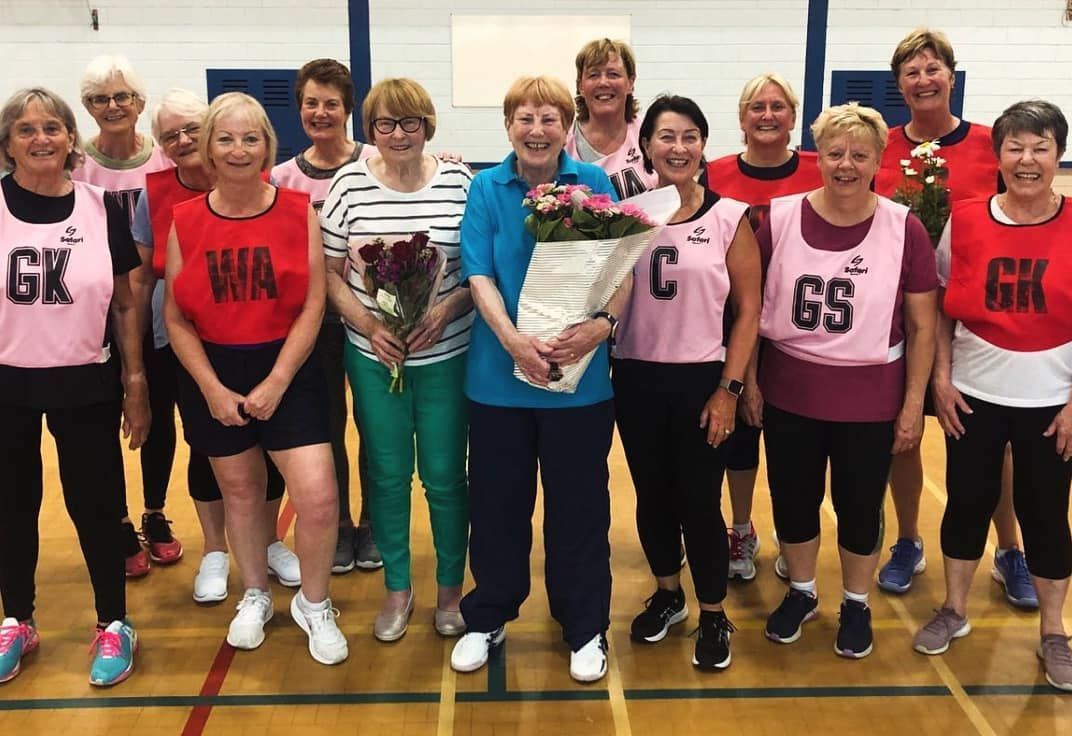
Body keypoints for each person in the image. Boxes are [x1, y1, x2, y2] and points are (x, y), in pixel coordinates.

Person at [450, 75, 624, 683]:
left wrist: (602, 325)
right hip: (499, 381)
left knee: (579, 509)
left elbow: (619, 269)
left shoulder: (596, 184)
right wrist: (514, 343)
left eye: (550, 118)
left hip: (579, 382)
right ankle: (488, 615)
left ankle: (584, 627)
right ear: (507, 126)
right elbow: (479, 278)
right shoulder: (484, 189)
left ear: (565, 127)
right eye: (525, 118)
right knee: (497, 506)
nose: (537, 130)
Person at [164, 92, 346, 664]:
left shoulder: (298, 211)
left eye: (250, 138)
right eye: (226, 138)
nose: (238, 149)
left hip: (287, 366)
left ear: (267, 145)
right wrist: (213, 389)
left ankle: (314, 605)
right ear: (207, 149)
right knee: (241, 494)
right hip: (214, 370)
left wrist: (277, 380)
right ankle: (255, 594)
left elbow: (313, 306)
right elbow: (175, 317)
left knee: (317, 498)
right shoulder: (185, 220)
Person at [758, 103, 937, 659]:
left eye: (859, 155)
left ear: (879, 160)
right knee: (794, 501)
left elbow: (923, 326)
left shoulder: (904, 227)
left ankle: (856, 601)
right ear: (818, 157)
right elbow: (744, 306)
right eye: (835, 153)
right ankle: (804, 591)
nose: (846, 165)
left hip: (870, 397)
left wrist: (912, 405)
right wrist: (747, 384)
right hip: (790, 390)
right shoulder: (777, 217)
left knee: (860, 506)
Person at [914, 100, 1072, 692]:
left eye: (1041, 148)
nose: (1027, 160)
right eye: (1016, 148)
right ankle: (954, 609)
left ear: (1058, 154)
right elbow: (945, 310)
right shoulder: (967, 217)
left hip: (1051, 403)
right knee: (966, 503)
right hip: (974, 395)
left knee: (1046, 516)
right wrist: (941, 380)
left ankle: (1055, 632)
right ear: (998, 155)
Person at [873, 29, 1032, 608]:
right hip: (899, 313)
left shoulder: (993, 144)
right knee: (905, 433)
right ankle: (909, 540)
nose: (923, 80)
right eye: (911, 72)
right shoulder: (881, 146)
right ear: (899, 85)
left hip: (975, 316)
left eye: (932, 68)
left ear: (951, 77)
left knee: (994, 443)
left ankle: (1009, 548)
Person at [0, 87, 148, 686]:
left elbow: (125, 305)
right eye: (27, 130)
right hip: (5, 381)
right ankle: (18, 618)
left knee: (97, 503)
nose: (41, 139)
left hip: (86, 378)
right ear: (8, 144)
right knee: (11, 505)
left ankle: (113, 622)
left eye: (52, 128)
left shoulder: (98, 207)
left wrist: (135, 379)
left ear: (70, 139)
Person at [321, 77, 473, 641]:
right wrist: (367, 324)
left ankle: (452, 591)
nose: (399, 134)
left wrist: (447, 308)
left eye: (411, 122)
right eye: (386, 123)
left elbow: (480, 273)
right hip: (372, 356)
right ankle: (398, 590)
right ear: (371, 130)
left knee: (444, 478)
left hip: (446, 356)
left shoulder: (461, 181)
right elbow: (329, 274)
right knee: (386, 477)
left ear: (428, 126)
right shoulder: (347, 186)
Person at [132, 89, 296, 603]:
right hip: (183, 342)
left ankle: (267, 541)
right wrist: (133, 356)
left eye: (191, 129)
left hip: (257, 339)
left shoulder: (262, 185)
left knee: (265, 451)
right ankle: (214, 549)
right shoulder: (153, 194)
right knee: (206, 447)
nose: (183, 141)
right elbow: (139, 281)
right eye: (170, 135)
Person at [614, 95, 761, 669]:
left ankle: (715, 613)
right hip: (635, 373)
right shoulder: (624, 214)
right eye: (666, 136)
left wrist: (730, 389)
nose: (678, 147)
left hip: (704, 380)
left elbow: (749, 310)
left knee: (699, 500)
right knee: (652, 496)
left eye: (690, 136)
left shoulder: (730, 216)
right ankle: (668, 594)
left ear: (704, 145)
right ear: (647, 145)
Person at [705, 72, 822, 581]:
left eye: (778, 106)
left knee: (798, 444)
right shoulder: (715, 173)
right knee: (740, 437)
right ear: (741, 118)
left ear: (794, 117)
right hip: (734, 324)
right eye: (757, 106)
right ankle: (742, 526)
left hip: (803, 331)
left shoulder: (823, 169)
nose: (768, 115)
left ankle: (795, 535)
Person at [271, 59, 381, 575]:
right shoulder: (281, 178)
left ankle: (376, 524)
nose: (320, 112)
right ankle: (336, 528)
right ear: (299, 109)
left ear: (348, 109)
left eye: (331, 103)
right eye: (311, 103)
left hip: (372, 319)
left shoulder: (378, 163)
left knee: (375, 425)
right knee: (326, 429)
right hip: (309, 327)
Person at [71, 54, 177, 578]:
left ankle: (155, 512)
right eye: (98, 98)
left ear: (138, 102)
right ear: (87, 107)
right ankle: (116, 521)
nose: (112, 106)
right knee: (99, 424)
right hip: (89, 324)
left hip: (152, 319)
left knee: (155, 419)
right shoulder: (73, 164)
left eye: (121, 96)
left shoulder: (164, 161)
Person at [565, 38, 658, 200]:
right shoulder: (564, 143)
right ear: (580, 86)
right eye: (593, 75)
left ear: (630, 82)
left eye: (613, 74)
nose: (603, 82)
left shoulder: (650, 132)